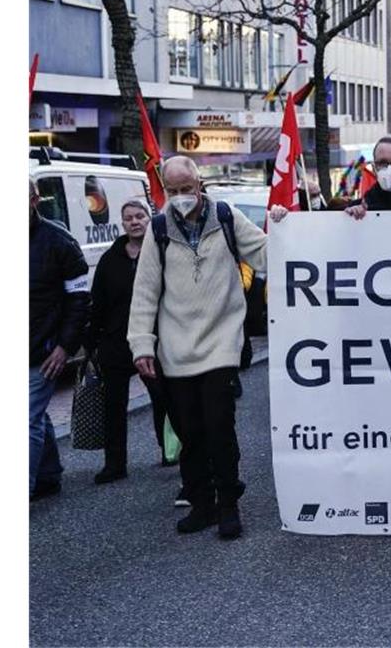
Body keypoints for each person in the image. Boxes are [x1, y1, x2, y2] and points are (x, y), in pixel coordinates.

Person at [128, 156, 286, 539]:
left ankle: (229, 503)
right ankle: (203, 503)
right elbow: (145, 290)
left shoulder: (227, 218)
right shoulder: (160, 228)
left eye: (187, 188)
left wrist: (284, 226)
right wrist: (141, 345)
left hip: (221, 342)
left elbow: (266, 254)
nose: (181, 196)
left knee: (219, 426)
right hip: (175, 347)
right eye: (173, 190)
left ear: (200, 185)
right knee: (190, 432)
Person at [87, 199, 181, 490]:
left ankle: (169, 452)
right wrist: (91, 343)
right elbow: (98, 301)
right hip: (115, 342)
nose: (135, 222)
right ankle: (115, 464)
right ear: (122, 222)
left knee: (162, 398)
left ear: (149, 218)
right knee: (113, 405)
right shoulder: (110, 258)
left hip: (152, 340)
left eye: (140, 216)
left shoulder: (161, 251)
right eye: (129, 218)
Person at [30, 178, 90, 501]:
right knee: (34, 415)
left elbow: (80, 299)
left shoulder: (59, 241)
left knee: (24, 418)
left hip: (43, 349)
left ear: (35, 200)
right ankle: (48, 475)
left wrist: (65, 346)